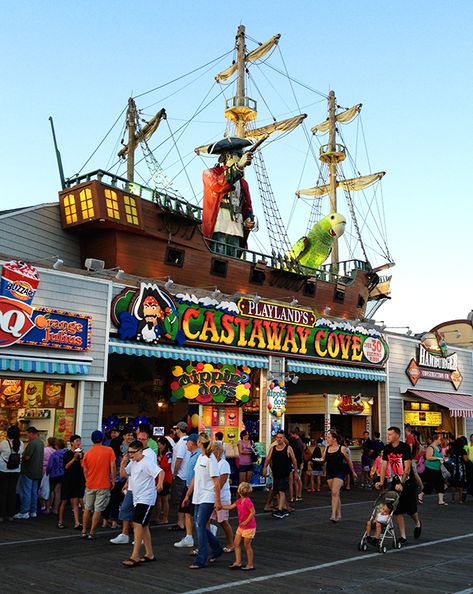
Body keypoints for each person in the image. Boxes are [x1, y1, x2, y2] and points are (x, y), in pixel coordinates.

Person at [202, 137, 255, 257]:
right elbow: (218, 186)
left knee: (234, 258)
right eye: (239, 155)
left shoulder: (243, 183)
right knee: (218, 257)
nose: (241, 157)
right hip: (220, 223)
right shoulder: (210, 173)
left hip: (236, 226)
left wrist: (249, 218)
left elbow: (247, 205)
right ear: (228, 156)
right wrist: (238, 167)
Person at [182, 432, 224, 569]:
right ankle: (217, 548)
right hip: (198, 496)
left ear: (200, 443)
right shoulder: (200, 457)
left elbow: (216, 482)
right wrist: (188, 495)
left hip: (208, 496)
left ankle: (201, 558)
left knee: (200, 525)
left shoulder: (210, 459)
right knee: (199, 525)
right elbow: (195, 478)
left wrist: (217, 501)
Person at [119, 439, 164, 567]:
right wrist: (123, 463)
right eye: (129, 453)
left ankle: (135, 555)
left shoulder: (146, 462)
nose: (130, 455)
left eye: (133, 453)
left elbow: (161, 472)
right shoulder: (133, 463)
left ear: (140, 451)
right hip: (137, 497)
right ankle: (149, 553)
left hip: (146, 497)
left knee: (137, 523)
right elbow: (123, 475)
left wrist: (160, 483)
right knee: (143, 526)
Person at [376, 426, 422, 546]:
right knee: (397, 509)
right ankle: (403, 536)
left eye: (390, 434)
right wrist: (381, 481)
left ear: (397, 435)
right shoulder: (387, 448)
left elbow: (407, 467)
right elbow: (384, 466)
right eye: (388, 434)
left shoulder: (404, 447)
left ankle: (417, 523)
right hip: (395, 481)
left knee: (411, 509)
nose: (388, 436)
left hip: (407, 481)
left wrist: (402, 483)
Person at [110, 429, 155, 545]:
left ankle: (140, 537)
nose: (141, 440)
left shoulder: (150, 455)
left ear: (148, 440)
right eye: (138, 438)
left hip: (143, 490)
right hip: (132, 487)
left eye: (143, 439)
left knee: (140, 516)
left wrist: (157, 485)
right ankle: (125, 534)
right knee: (125, 509)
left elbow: (155, 472)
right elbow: (128, 472)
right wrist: (127, 482)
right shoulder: (133, 453)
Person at [81, 430, 116, 539]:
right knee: (98, 509)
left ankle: (83, 531)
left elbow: (85, 469)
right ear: (102, 439)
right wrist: (113, 479)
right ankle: (91, 532)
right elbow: (113, 466)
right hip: (103, 483)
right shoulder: (109, 450)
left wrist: (87, 479)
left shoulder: (88, 453)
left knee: (87, 508)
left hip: (90, 484)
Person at [322, 430, 357, 522]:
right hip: (330, 472)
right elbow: (323, 459)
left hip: (339, 472)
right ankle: (339, 513)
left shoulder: (342, 448)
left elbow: (349, 461)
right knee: (336, 494)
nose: (327, 439)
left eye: (329, 437)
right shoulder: (327, 448)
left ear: (334, 439)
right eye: (327, 437)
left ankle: (333, 514)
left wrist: (353, 472)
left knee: (334, 492)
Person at [263, 430, 298, 519]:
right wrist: (264, 468)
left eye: (280, 438)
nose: (279, 439)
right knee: (277, 490)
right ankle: (283, 507)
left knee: (282, 490)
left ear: (284, 438)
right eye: (277, 438)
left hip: (285, 473)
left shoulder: (288, 448)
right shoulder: (273, 448)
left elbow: (294, 460)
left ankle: (280, 509)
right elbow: (268, 459)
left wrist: (296, 473)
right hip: (276, 473)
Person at [174, 433, 200, 549]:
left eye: (187, 442)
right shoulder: (192, 454)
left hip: (194, 487)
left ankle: (201, 534)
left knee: (193, 513)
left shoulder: (199, 455)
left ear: (191, 443)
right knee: (187, 511)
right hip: (189, 485)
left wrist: (189, 492)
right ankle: (189, 537)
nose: (186, 445)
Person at [223, 482, 256, 571]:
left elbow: (253, 512)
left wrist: (246, 521)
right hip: (242, 526)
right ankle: (238, 562)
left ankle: (250, 564)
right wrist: (220, 507)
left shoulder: (248, 501)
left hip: (249, 527)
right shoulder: (239, 501)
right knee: (236, 543)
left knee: (247, 545)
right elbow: (230, 507)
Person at [15, 426, 44, 519]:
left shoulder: (32, 443)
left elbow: (27, 457)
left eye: (28, 434)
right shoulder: (41, 443)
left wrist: (21, 456)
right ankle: (33, 511)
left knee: (26, 492)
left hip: (28, 471)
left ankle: (24, 511)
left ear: (31, 433)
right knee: (34, 492)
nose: (28, 436)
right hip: (37, 471)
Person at [210, 441, 234, 552]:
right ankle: (206, 544)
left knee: (223, 521)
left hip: (222, 497)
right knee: (207, 520)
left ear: (218, 452)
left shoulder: (223, 464)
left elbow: (222, 482)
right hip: (212, 496)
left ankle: (231, 543)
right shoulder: (212, 463)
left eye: (213, 450)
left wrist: (214, 494)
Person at [58, 434, 85, 530]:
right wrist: (74, 458)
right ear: (72, 443)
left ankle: (77, 522)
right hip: (67, 480)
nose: (79, 443)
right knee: (64, 501)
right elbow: (66, 467)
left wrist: (81, 458)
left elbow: (83, 466)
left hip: (77, 479)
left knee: (75, 501)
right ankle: (60, 521)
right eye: (77, 441)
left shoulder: (81, 453)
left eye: (79, 441)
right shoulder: (67, 454)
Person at [0, 425, 24, 521]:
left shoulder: (4, 443)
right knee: (12, 492)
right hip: (16, 470)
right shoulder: (21, 443)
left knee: (2, 492)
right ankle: (11, 514)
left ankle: (1, 515)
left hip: (3, 469)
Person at [170, 421, 190, 532]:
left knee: (179, 499)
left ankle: (181, 522)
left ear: (178, 429)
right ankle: (183, 522)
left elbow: (179, 459)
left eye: (176, 429)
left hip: (181, 475)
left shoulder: (182, 441)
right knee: (183, 499)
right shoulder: (187, 440)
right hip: (185, 474)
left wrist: (175, 472)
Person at [418, 433, 448, 506]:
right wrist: (438, 458)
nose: (441, 440)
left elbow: (441, 455)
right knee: (430, 484)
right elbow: (428, 457)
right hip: (431, 468)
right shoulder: (430, 447)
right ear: (436, 439)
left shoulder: (439, 447)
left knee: (440, 483)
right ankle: (421, 495)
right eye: (439, 439)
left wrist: (443, 458)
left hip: (438, 468)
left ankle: (441, 500)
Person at [46, 438, 66, 515]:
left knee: (50, 491)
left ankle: (48, 508)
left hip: (53, 474)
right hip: (62, 474)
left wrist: (47, 473)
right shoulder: (65, 454)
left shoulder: (54, 454)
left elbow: (49, 466)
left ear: (56, 446)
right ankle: (56, 509)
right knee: (58, 492)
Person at [156, 436, 173, 524]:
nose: (159, 447)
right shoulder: (160, 454)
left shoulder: (169, 454)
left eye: (160, 445)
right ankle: (158, 517)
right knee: (159, 499)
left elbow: (168, 466)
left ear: (164, 445)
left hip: (166, 479)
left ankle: (165, 518)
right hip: (160, 479)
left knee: (164, 499)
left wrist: (159, 464)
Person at [448, 437, 468, 504]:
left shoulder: (453, 450)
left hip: (454, 468)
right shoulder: (463, 451)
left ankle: (453, 499)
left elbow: (450, 458)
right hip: (461, 468)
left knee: (453, 484)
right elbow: (465, 460)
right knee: (461, 484)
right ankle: (460, 500)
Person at [405, 424, 423, 491]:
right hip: (413, 458)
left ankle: (422, 487)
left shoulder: (409, 437)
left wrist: (410, 456)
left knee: (414, 473)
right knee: (410, 472)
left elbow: (410, 446)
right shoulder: (414, 437)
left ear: (407, 430)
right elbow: (420, 447)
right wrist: (417, 456)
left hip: (411, 458)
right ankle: (413, 485)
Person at [41, 437, 57, 512]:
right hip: (52, 472)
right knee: (51, 489)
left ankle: (43, 505)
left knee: (43, 488)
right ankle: (50, 505)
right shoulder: (55, 451)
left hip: (44, 470)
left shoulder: (44, 450)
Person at [288, 429, 304, 502]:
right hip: (299, 462)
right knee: (297, 480)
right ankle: (298, 495)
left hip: (294, 462)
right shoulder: (300, 442)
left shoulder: (293, 443)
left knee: (292, 481)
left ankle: (292, 497)